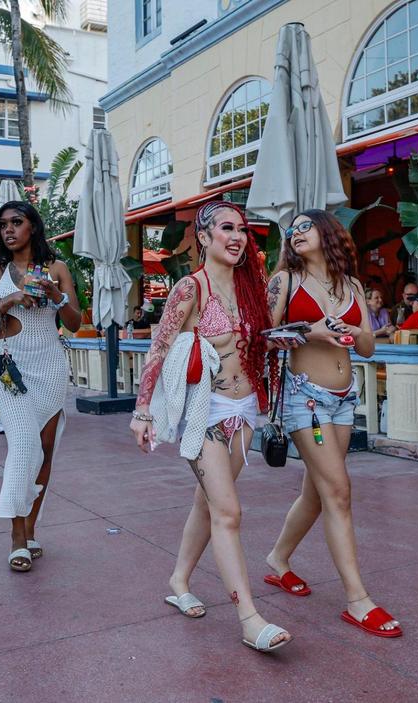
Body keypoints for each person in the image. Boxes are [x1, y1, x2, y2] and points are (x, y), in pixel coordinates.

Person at [128, 200, 292, 653]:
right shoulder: (190, 288)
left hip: (245, 413)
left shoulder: (251, 287)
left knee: (208, 503)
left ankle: (179, 579)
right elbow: (159, 349)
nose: (237, 237)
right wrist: (143, 411)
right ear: (203, 237)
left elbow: (257, 343)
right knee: (228, 512)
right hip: (205, 411)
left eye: (242, 229)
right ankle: (249, 619)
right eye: (226, 228)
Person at [263, 209, 401, 638]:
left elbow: (366, 347)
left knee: (319, 492)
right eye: (292, 229)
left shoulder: (353, 285)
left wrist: (349, 331)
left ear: (327, 233)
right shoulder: (284, 281)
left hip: (344, 399)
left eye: (305, 225)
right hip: (303, 398)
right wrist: (310, 334)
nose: (295, 232)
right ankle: (358, 600)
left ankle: (277, 560)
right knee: (338, 491)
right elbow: (263, 338)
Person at [0, 201, 81, 572]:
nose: (9, 230)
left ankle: (31, 529)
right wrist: (10, 299)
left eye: (17, 223)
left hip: (49, 364)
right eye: (3, 225)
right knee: (24, 444)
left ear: (33, 226)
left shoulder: (57, 269)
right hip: (8, 365)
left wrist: (55, 295)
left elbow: (75, 322)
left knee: (45, 450)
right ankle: (17, 536)